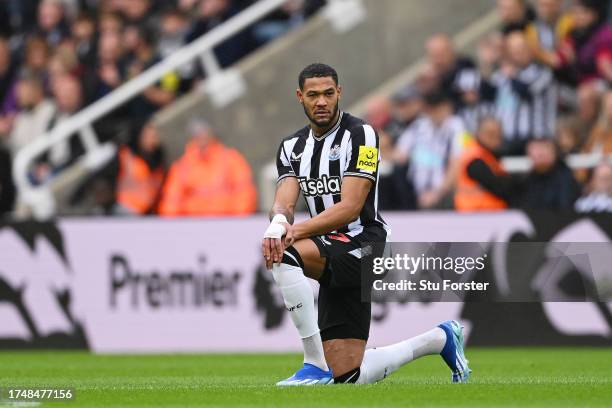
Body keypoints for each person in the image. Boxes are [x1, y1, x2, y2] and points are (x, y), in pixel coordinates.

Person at [261, 63, 470, 386]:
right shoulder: (292, 147)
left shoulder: (362, 135)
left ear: (339, 93)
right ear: (300, 97)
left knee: (285, 255)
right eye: (313, 95)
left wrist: (293, 233)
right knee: (348, 376)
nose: (321, 102)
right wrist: (277, 224)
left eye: (328, 94)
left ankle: (313, 364)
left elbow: (350, 207)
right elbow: (285, 201)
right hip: (330, 249)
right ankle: (440, 339)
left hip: (367, 244)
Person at [158, 119, 257, 216]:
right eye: (197, 135)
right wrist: (173, 225)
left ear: (211, 135)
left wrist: (238, 219)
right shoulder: (182, 166)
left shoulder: (231, 159)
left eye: (204, 133)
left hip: (226, 221)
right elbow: (172, 200)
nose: (202, 138)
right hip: (193, 224)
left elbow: (244, 191)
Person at [394, 90, 469, 209]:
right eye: (431, 109)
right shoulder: (419, 126)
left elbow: (457, 163)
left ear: (446, 107)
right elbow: (399, 154)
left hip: (446, 195)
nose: (434, 113)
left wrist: (437, 193)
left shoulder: (457, 127)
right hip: (418, 194)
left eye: (437, 108)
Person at [491, 31, 557, 155]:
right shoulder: (499, 76)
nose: (517, 54)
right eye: (513, 50)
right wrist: (488, 64)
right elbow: (485, 98)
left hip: (537, 140)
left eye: (521, 48)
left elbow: (526, 93)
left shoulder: (543, 73)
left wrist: (512, 75)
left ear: (531, 50)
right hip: (507, 140)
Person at [455, 117, 514, 212]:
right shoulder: (474, 158)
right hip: (477, 214)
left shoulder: (490, 156)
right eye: (489, 133)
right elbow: (499, 188)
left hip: (489, 213)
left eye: (498, 134)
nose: (494, 138)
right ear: (478, 133)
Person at [116, 122, 165, 215]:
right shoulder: (125, 155)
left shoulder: (158, 158)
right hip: (126, 209)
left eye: (154, 135)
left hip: (149, 211)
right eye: (148, 135)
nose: (153, 138)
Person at [521, 138, 580, 210]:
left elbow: (565, 208)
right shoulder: (526, 181)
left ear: (554, 152)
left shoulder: (565, 178)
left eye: (544, 147)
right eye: (536, 149)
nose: (540, 153)